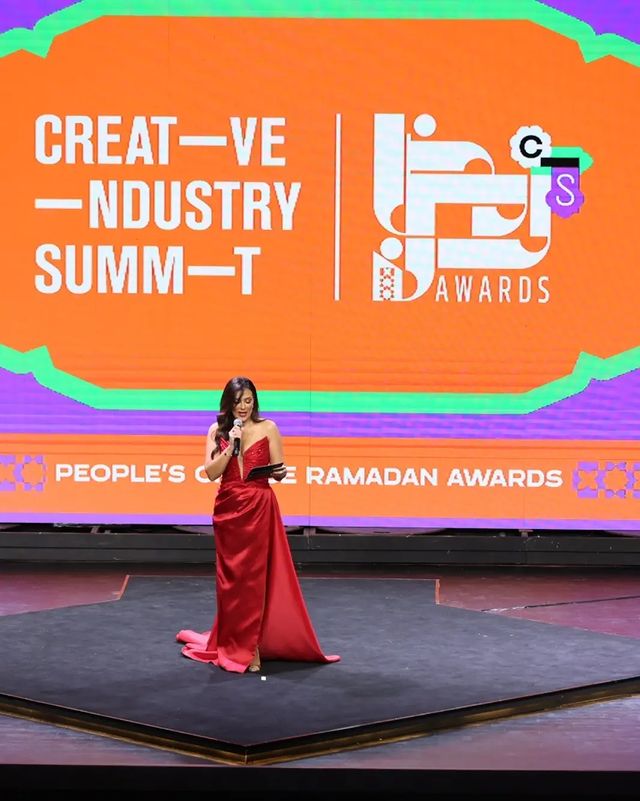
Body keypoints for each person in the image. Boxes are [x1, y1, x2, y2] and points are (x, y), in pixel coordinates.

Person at [176, 376, 340, 673]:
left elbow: (280, 471)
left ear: (255, 402)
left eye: (249, 401)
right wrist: (231, 446)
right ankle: (235, 640)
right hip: (228, 509)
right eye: (238, 401)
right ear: (229, 403)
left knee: (256, 578)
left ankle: (250, 647)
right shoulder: (217, 431)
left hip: (259, 506)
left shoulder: (269, 428)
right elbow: (211, 473)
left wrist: (279, 473)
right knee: (233, 579)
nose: (244, 407)